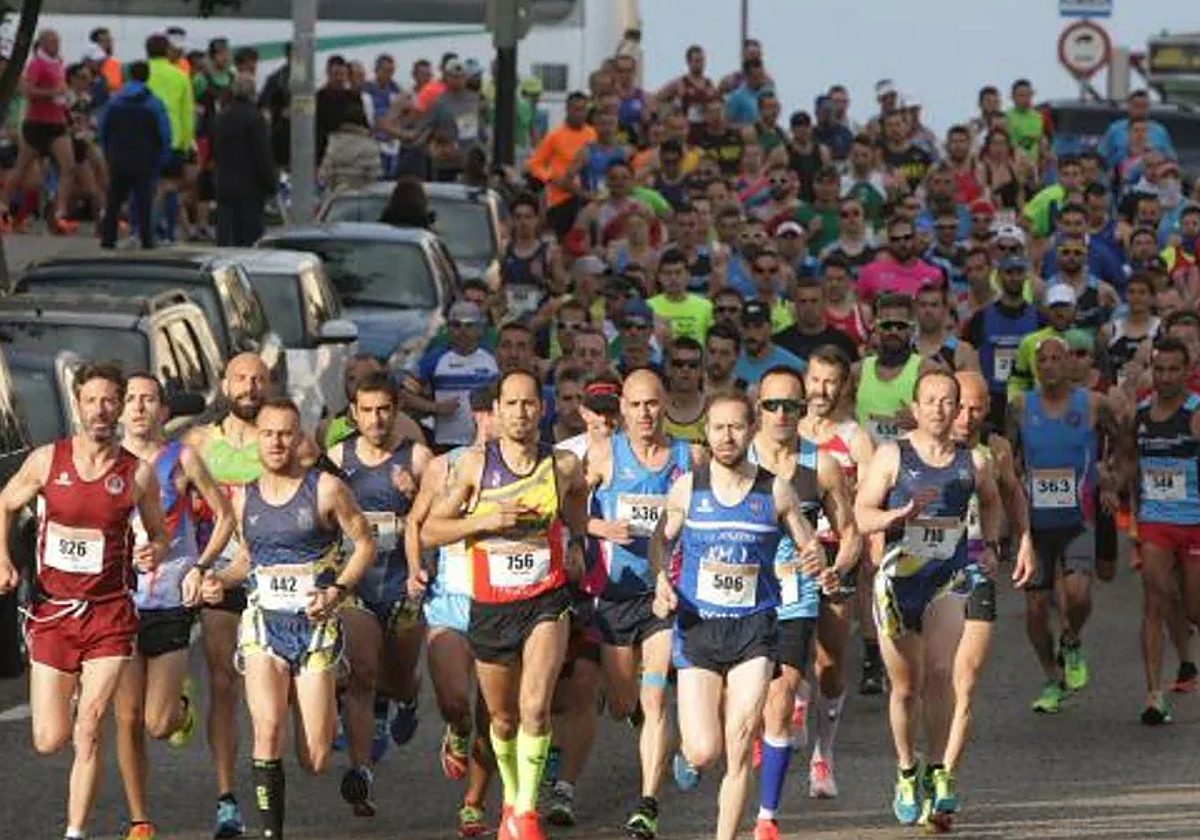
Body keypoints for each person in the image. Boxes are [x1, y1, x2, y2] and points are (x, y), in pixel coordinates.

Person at [0, 363, 170, 840]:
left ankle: (75, 832)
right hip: (54, 612)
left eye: (109, 400)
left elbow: (159, 534)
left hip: (109, 614)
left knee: (90, 726)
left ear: (119, 405)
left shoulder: (135, 474)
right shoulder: (45, 462)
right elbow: (5, 503)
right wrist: (2, 560)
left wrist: (152, 549)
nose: (101, 409)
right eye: (91, 400)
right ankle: (70, 693)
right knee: (48, 739)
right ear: (77, 404)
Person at [421, 369, 588, 840]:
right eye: (510, 404)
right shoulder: (473, 466)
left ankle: (526, 813)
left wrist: (576, 543)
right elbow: (432, 530)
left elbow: (578, 499)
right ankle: (512, 796)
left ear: (543, 408)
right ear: (495, 411)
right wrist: (487, 519)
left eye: (529, 403)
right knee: (502, 717)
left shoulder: (562, 466)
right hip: (491, 606)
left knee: (535, 707)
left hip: (544, 600)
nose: (520, 413)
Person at [651, 390, 822, 840]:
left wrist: (814, 559)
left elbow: (808, 543)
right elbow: (661, 539)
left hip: (755, 628)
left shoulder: (775, 490)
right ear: (706, 432)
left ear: (752, 430)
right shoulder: (689, 487)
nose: (727, 436)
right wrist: (661, 578)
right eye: (718, 427)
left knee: (742, 739)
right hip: (698, 626)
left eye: (736, 427)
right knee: (705, 751)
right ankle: (687, 754)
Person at [212, 397, 375, 840]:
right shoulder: (242, 496)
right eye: (268, 434)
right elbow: (247, 558)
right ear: (256, 441)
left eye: (286, 433)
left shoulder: (325, 488)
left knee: (315, 758)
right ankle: (271, 833)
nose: (277, 442)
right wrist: (220, 581)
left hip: (315, 627)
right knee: (266, 730)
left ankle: (330, 702)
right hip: (263, 625)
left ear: (299, 436)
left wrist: (337, 590)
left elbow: (364, 544)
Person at [855, 370, 1004, 828]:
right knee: (905, 687)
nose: (940, 410)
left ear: (958, 408)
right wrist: (894, 516)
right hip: (899, 582)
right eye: (931, 401)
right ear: (915, 408)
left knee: (941, 672)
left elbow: (994, 501)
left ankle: (939, 770)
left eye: (948, 402)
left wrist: (993, 545)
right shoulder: (891, 456)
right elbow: (861, 515)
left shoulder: (973, 463)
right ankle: (906, 768)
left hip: (948, 577)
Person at [115, 373, 235, 840]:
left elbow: (224, 516)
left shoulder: (180, 459)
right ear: (121, 410)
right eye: (131, 399)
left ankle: (180, 708)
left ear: (164, 411)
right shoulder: (108, 465)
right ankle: (139, 819)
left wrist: (200, 567)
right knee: (125, 719)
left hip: (168, 598)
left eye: (148, 399)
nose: (139, 407)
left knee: (157, 722)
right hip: (119, 602)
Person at [748, 367, 860, 840]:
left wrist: (840, 567)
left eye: (790, 406)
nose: (780, 414)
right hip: (749, 591)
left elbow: (851, 532)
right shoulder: (735, 457)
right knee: (767, 687)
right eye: (771, 405)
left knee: (830, 667)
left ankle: (823, 752)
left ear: (804, 409)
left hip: (806, 585)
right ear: (758, 409)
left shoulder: (823, 465)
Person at [583, 370, 695, 839]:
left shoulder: (689, 457)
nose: (645, 414)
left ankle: (648, 802)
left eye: (652, 404)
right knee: (623, 701)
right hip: (614, 596)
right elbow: (568, 507)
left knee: (654, 697)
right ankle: (645, 723)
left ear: (665, 403)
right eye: (635, 405)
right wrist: (596, 529)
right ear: (622, 410)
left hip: (662, 595)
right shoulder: (604, 456)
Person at [327, 372, 433, 812]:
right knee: (363, 676)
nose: (376, 419)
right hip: (357, 584)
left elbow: (442, 517)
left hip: (402, 583)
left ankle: (408, 697)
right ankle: (361, 772)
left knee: (396, 677)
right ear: (353, 413)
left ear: (397, 411)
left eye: (384, 409)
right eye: (367, 410)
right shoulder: (336, 457)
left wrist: (414, 497)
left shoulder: (419, 457)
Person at [181, 353, 276, 838]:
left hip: (277, 577)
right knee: (223, 681)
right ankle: (227, 798)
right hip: (222, 575)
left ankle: (270, 770)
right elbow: (166, 497)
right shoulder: (199, 443)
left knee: (272, 690)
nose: (250, 386)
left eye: (258, 378)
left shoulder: (281, 442)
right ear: (224, 383)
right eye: (241, 377)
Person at [1009, 338, 1114, 714]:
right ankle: (1052, 678)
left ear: (1070, 362)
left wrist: (1108, 477)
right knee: (1035, 607)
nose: (1050, 365)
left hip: (1077, 517)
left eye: (1057, 358)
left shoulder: (1094, 404)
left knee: (1079, 593)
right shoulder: (1021, 406)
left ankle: (1071, 639)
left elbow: (1122, 442)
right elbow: (1009, 457)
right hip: (1035, 522)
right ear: (1036, 367)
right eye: (1043, 360)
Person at [944, 373, 1034, 786]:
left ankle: (946, 777)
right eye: (959, 405)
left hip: (976, 569)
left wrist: (1025, 541)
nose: (966, 416)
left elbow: (1013, 493)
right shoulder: (916, 450)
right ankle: (914, 766)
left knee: (965, 680)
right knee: (927, 682)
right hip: (925, 576)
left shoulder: (994, 451)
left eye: (976, 408)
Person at [797, 346, 880, 791]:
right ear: (804, 379)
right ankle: (788, 705)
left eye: (831, 381)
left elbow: (865, 507)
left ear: (844, 385)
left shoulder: (855, 438)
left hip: (836, 551)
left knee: (829, 661)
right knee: (783, 650)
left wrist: (862, 553)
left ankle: (822, 754)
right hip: (791, 552)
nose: (821, 390)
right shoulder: (784, 431)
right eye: (815, 379)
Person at [1120, 337, 1200, 725]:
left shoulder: (1195, 413)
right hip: (1156, 521)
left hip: (1196, 522)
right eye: (1160, 369)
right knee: (1154, 599)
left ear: (1187, 372)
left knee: (1193, 607)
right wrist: (1112, 483)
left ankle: (1186, 655)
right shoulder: (1140, 414)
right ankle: (1154, 694)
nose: (1166, 377)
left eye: (1174, 369)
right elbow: (1130, 463)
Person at [6, 29, 77, 234]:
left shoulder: (59, 64)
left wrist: (66, 107)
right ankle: (3, 206)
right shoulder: (37, 64)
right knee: (22, 169)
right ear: (43, 43)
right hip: (37, 123)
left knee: (68, 167)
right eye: (53, 42)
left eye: (58, 41)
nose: (57, 45)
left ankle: (59, 213)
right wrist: (52, 93)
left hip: (57, 123)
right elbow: (28, 92)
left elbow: (61, 92)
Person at [97, 61, 171, 250]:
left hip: (118, 158)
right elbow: (164, 134)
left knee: (114, 200)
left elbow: (103, 130)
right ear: (147, 77)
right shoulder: (154, 103)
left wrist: (108, 154)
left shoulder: (114, 101)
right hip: (144, 159)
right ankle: (147, 239)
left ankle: (108, 238)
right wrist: (161, 159)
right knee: (144, 201)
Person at [855, 294, 932, 446]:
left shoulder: (927, 371)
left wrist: (921, 422)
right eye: (887, 326)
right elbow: (839, 416)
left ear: (912, 329)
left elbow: (948, 421)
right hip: (865, 462)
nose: (894, 331)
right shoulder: (857, 372)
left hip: (910, 464)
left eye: (901, 326)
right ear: (876, 328)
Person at [213, 74, 276, 247]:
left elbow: (215, 150)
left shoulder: (221, 117)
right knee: (250, 242)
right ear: (253, 93)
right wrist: (271, 183)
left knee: (226, 239)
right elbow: (262, 155)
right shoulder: (255, 119)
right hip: (251, 189)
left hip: (225, 186)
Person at [145, 32, 196, 245]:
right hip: (173, 139)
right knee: (170, 187)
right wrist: (186, 142)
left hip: (145, 138)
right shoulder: (180, 76)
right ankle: (168, 232)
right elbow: (187, 113)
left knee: (148, 186)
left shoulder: (142, 73)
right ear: (167, 51)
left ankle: (149, 228)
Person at [913, 284, 980, 373]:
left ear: (944, 310)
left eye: (934, 305)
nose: (928, 310)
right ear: (915, 309)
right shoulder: (905, 348)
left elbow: (976, 386)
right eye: (923, 305)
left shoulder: (963, 350)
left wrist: (949, 376)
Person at [662, 338, 707, 444]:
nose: (685, 369)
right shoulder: (655, 409)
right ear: (667, 368)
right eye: (678, 364)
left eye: (693, 365)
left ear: (701, 370)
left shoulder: (713, 410)